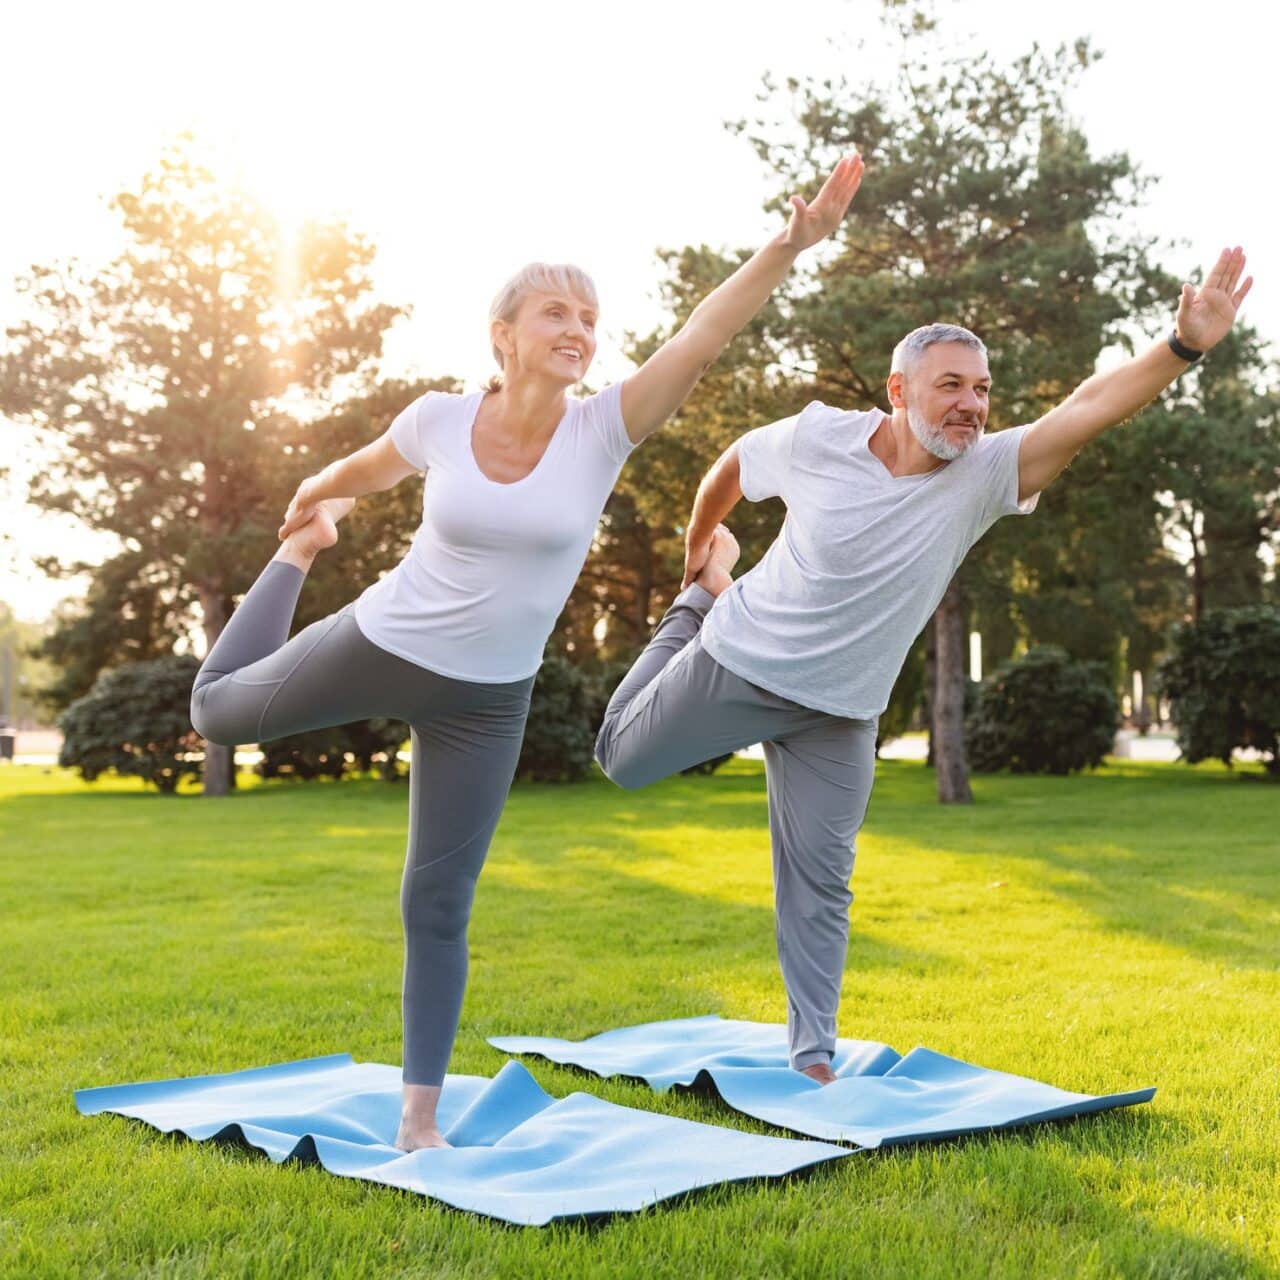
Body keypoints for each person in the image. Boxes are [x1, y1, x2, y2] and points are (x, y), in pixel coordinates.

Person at [187, 155, 866, 1149]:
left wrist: (787, 245)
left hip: (485, 700)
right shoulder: (439, 420)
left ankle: (420, 1118)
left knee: (436, 898)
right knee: (214, 712)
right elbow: (371, 465)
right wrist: (311, 506)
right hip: (381, 638)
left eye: (588, 319)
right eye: (555, 312)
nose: (577, 332)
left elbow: (702, 334)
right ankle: (293, 563)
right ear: (502, 335)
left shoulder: (605, 429)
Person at [594, 247, 1253, 1083]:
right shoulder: (817, 438)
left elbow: (1087, 408)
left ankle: (812, 1061)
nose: (972, 406)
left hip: (841, 709)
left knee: (820, 888)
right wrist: (699, 559)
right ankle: (696, 606)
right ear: (899, 391)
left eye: (982, 389)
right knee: (620, 759)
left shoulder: (984, 475)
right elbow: (730, 465)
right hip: (741, 660)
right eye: (951, 386)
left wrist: (1182, 349)